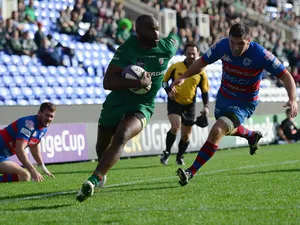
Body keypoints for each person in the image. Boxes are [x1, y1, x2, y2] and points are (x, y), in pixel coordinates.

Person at [171, 23, 298, 186]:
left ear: (249, 41)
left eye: (240, 44)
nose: (235, 47)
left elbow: (286, 75)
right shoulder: (222, 46)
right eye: (233, 42)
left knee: (217, 130)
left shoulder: (260, 54)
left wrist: (293, 98)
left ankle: (190, 171)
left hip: (244, 103)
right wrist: (184, 77)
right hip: (224, 97)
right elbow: (201, 62)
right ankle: (251, 136)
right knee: (224, 129)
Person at [76, 14, 178, 202]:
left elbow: (174, 41)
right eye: (150, 30)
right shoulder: (127, 49)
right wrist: (137, 82)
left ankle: (93, 179)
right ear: (138, 33)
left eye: (157, 29)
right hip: (117, 101)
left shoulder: (166, 48)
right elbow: (107, 82)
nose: (156, 33)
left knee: (122, 135)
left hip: (143, 105)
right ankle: (102, 173)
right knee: (101, 148)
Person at [160, 42, 209, 166]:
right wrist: (169, 91)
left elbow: (204, 91)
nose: (191, 56)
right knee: (176, 126)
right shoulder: (175, 67)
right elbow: (164, 81)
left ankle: (179, 156)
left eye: (193, 54)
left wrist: (206, 107)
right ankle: (166, 152)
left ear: (198, 54)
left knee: (186, 135)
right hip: (175, 101)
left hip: (190, 104)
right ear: (185, 54)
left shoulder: (201, 72)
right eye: (189, 53)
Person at [0, 102, 56, 182]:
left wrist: (42, 166)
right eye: (47, 115)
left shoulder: (43, 128)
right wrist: (33, 170)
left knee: (24, 176)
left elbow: (34, 146)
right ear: (39, 113)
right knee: (25, 175)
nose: (49, 119)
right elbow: (19, 149)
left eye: (52, 116)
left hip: (2, 157)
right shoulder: (29, 125)